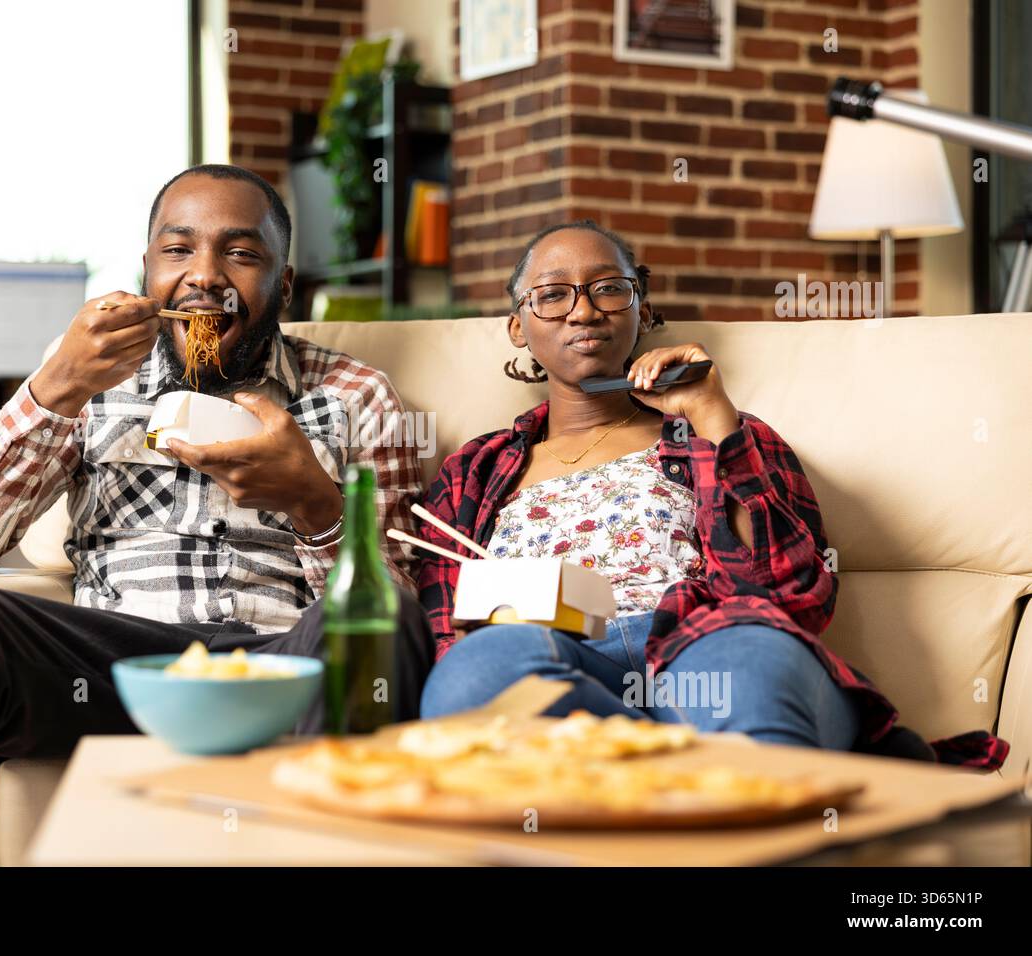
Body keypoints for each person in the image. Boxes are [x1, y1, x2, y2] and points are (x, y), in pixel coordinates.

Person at [0, 164, 434, 865]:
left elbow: (398, 611)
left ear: (284, 285)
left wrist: (313, 503)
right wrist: (54, 388)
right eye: (178, 250)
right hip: (114, 669)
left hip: (279, 669)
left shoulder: (356, 396)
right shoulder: (90, 378)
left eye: (241, 253)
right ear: (146, 271)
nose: (205, 277)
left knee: (383, 625)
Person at [415, 220, 1008, 771]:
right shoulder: (475, 469)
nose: (585, 311)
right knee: (474, 677)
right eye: (553, 295)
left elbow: (790, 593)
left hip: (703, 643)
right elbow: (449, 628)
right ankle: (673, 766)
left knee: (751, 669)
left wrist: (711, 414)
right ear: (518, 325)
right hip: (555, 658)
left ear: (641, 309)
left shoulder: (716, 432)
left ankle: (663, 772)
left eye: (608, 289)